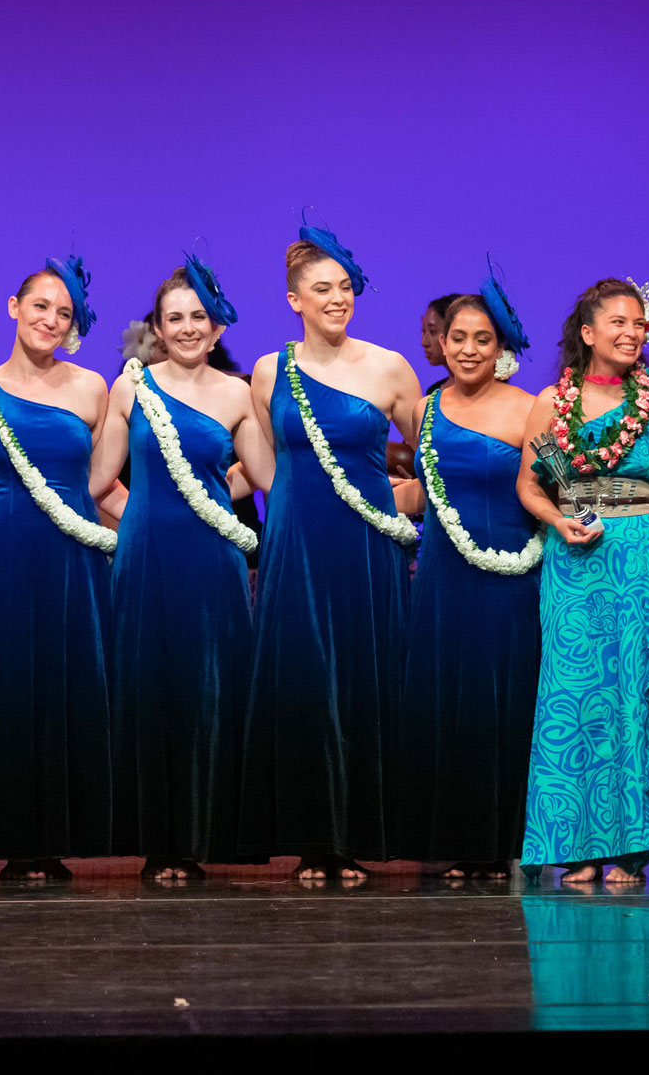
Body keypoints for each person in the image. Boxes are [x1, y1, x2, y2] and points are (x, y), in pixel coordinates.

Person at [516, 277, 649, 884]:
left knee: (635, 687)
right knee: (574, 694)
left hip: (640, 554)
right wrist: (558, 519)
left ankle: (631, 844)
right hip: (574, 557)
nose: (632, 334)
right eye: (619, 323)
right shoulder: (552, 401)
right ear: (588, 333)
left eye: (640, 325)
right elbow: (530, 485)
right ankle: (576, 845)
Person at [238, 225, 422, 881]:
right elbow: (265, 464)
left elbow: (438, 453)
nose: (338, 298)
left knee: (361, 675)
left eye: (345, 286)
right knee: (305, 682)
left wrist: (407, 499)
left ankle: (359, 834)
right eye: (323, 289)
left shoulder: (390, 367)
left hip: (365, 545)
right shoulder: (268, 370)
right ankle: (315, 838)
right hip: (297, 545)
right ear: (295, 300)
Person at [90, 255, 271, 881]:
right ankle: (159, 843)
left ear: (216, 328)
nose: (189, 327)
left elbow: (266, 474)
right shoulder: (130, 386)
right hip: (146, 556)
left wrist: (218, 491)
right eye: (176, 318)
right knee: (152, 688)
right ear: (158, 329)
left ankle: (203, 836)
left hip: (211, 558)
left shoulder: (239, 393)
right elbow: (98, 480)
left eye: (199, 317)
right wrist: (138, 514)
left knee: (207, 687)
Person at [0, 255, 115, 882]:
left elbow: (105, 485)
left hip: (71, 558)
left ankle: (61, 836)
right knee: (6, 687)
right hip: (3, 555)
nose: (51, 320)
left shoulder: (94, 387)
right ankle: (10, 836)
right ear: (14, 308)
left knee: (68, 685)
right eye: (41, 306)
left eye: (64, 314)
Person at [393, 274, 541, 876]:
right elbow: (424, 496)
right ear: (443, 342)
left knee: (501, 702)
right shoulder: (426, 410)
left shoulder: (532, 409)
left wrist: (605, 522)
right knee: (445, 701)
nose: (470, 349)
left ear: (499, 346)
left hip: (509, 579)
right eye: (458, 337)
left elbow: (562, 488)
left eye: (483, 338)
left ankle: (503, 843)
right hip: (444, 578)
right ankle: (453, 842)